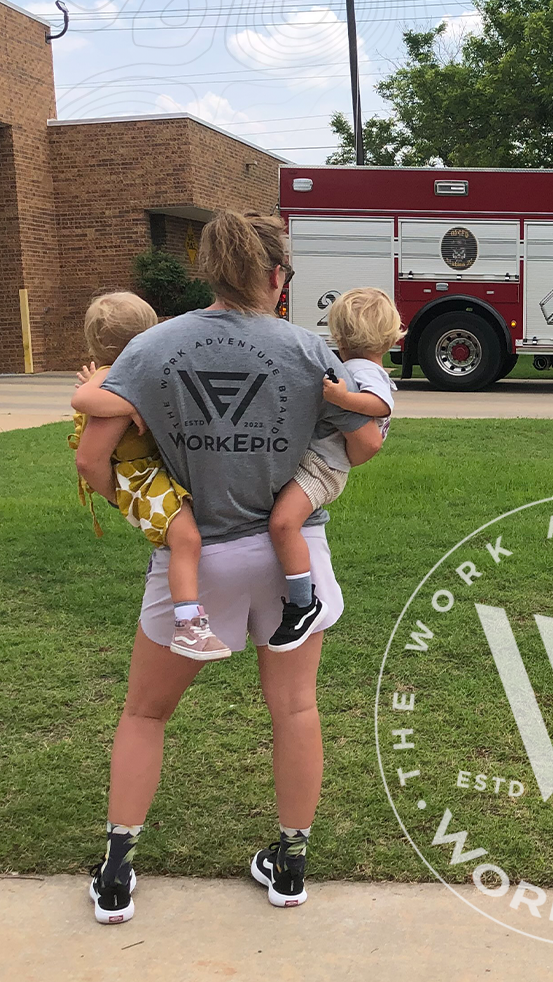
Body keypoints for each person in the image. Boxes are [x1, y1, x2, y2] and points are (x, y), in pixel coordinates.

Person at [75, 211, 385, 924]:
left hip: (196, 557)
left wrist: (157, 514)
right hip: (291, 556)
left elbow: (94, 461)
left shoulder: (152, 347)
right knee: (296, 710)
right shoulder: (310, 350)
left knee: (146, 712)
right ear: (278, 277)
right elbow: (365, 441)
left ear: (209, 270)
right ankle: (291, 863)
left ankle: (118, 871)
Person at [68, 292, 230, 661]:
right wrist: (133, 404)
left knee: (184, 539)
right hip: (139, 475)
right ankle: (189, 625)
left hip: (150, 470)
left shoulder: (136, 371)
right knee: (186, 539)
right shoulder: (115, 376)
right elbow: (83, 403)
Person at [266, 287, 402, 652]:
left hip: (323, 467)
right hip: (321, 459)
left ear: (337, 335)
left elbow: (380, 405)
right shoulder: (359, 368)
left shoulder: (361, 371)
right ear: (393, 335)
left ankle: (302, 602)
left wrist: (342, 399)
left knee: (283, 523)